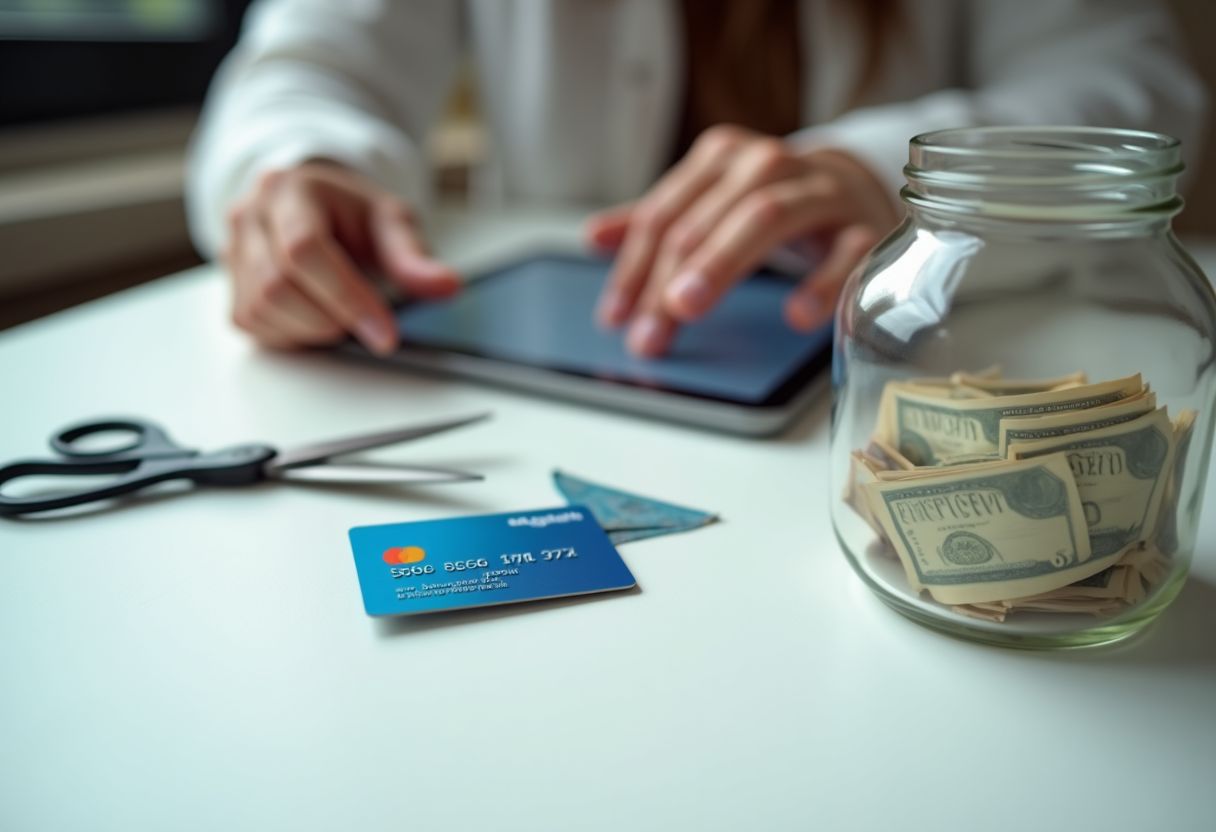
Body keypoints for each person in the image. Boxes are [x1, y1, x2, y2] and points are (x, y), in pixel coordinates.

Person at [187, 0, 1206, 358]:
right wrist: (297, 163)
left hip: (946, 336)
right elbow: (309, 63)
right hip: (554, 352)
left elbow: (1132, 87)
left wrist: (884, 167)